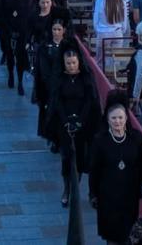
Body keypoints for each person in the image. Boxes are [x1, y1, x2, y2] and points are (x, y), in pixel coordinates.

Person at [89, 103, 142, 245]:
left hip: (130, 193)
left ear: (126, 119)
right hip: (107, 195)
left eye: (120, 117)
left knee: (128, 232)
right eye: (113, 118)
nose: (117, 121)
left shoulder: (136, 138)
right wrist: (92, 193)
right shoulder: (100, 140)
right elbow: (94, 169)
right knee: (111, 234)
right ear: (107, 119)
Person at [48, 47, 99, 207]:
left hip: (84, 123)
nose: (71, 66)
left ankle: (84, 191)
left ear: (79, 62)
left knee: (83, 158)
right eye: (68, 63)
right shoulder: (60, 79)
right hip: (65, 123)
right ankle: (67, 190)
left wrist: (80, 120)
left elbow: (90, 101)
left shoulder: (86, 78)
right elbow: (57, 101)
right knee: (67, 157)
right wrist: (66, 120)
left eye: (73, 63)